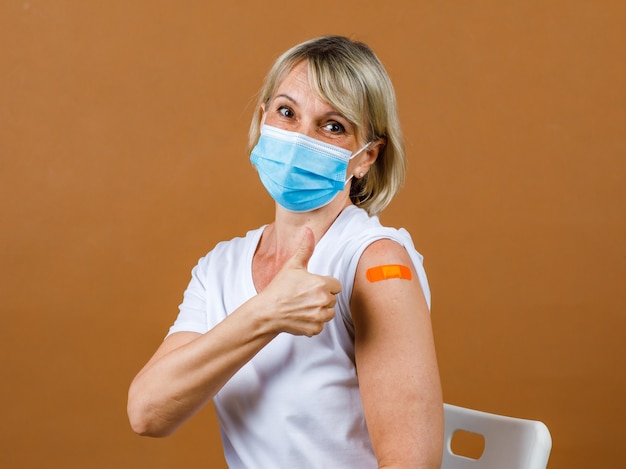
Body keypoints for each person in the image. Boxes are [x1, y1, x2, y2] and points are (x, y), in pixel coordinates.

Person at [128, 35, 443, 469]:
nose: (299, 138)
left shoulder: (376, 263)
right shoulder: (219, 267)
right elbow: (147, 413)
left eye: (333, 125)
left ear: (367, 156)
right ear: (263, 120)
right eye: (287, 112)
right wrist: (266, 314)